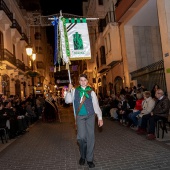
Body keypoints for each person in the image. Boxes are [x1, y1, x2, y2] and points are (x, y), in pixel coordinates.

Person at [65, 74, 103, 168]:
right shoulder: (75, 91)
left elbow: (96, 105)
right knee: (81, 137)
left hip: (90, 116)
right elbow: (67, 101)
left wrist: (100, 117)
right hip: (79, 117)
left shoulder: (91, 92)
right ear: (79, 81)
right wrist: (69, 90)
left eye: (84, 80)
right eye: (81, 80)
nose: (83, 82)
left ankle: (89, 159)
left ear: (87, 81)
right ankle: (82, 155)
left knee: (90, 137)